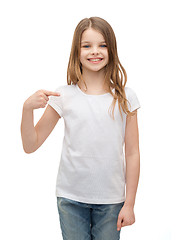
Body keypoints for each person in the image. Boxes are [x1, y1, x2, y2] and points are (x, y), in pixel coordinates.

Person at [21, 16, 141, 240]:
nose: (95, 51)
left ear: (111, 49)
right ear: (77, 51)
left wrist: (130, 203)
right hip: (70, 200)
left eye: (102, 45)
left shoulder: (125, 97)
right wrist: (27, 110)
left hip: (111, 202)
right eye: (87, 45)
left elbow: (132, 152)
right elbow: (31, 145)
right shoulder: (63, 96)